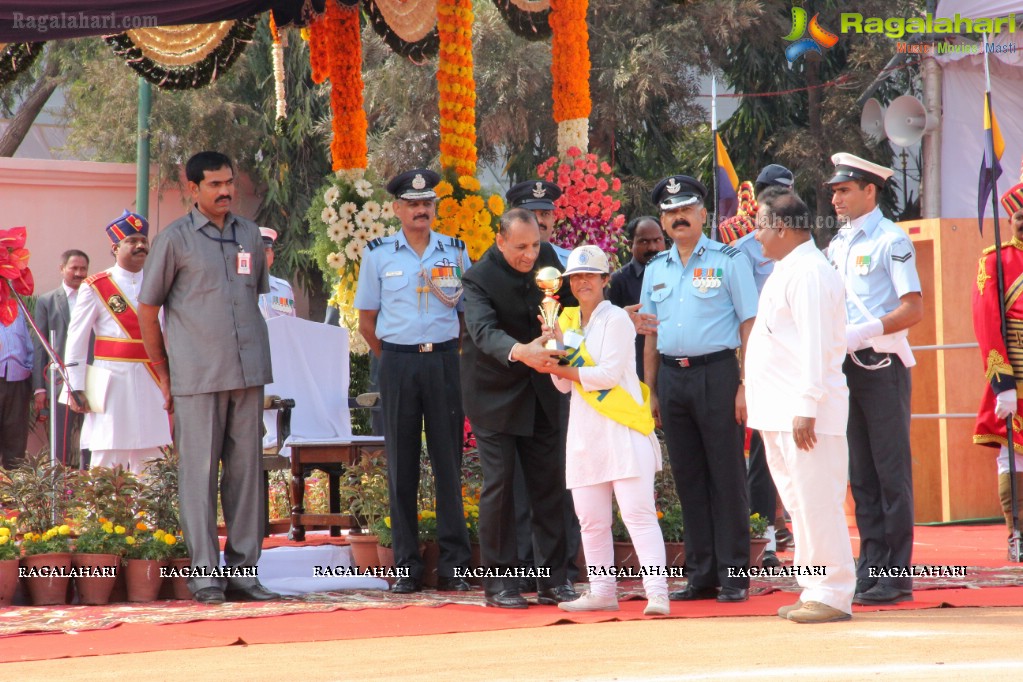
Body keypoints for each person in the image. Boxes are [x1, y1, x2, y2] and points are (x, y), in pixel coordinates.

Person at [138, 151, 279, 605]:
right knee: (198, 478)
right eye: (214, 184)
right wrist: (163, 374)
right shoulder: (173, 240)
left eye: (229, 183)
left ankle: (244, 573)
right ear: (193, 188)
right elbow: (147, 310)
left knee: (245, 475)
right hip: (196, 378)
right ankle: (205, 577)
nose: (224, 191)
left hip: (247, 373)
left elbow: (253, 293)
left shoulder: (250, 237)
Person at [640, 174, 758, 603]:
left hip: (719, 375)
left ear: (703, 213)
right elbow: (650, 335)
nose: (678, 217)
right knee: (689, 477)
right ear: (663, 219)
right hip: (672, 379)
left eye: (686, 209)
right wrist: (650, 390)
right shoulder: (655, 269)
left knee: (726, 476)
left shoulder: (729, 260)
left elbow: (749, 324)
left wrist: (746, 383)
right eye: (670, 212)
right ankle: (701, 573)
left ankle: (734, 576)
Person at [355, 168, 472, 594]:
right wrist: (394, 358)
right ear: (397, 209)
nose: (421, 210)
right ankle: (406, 565)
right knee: (402, 467)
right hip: (399, 364)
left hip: (443, 363)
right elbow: (367, 320)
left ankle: (455, 565)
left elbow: (466, 317)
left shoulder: (455, 252)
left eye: (428, 203)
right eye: (413, 203)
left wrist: (444, 354)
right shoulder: (378, 254)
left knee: (448, 464)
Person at [461, 207, 580, 609]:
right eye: (520, 248)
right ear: (499, 240)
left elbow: (570, 307)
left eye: (535, 244)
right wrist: (521, 352)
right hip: (494, 396)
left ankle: (553, 581)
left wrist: (597, 322)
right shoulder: (478, 278)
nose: (530, 255)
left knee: (549, 487)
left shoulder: (549, 262)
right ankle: (500, 585)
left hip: (544, 391)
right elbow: (482, 332)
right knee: (500, 489)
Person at [747, 190, 856, 624]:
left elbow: (816, 344)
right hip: (780, 411)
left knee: (817, 503)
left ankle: (832, 593)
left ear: (782, 227)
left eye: (759, 225)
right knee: (799, 504)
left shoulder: (809, 271)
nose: (754, 235)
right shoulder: (786, 269)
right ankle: (815, 587)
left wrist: (807, 404)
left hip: (806, 412)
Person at [542, 245, 669, 616]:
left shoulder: (615, 319)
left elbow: (607, 376)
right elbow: (563, 388)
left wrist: (562, 368)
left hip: (622, 430)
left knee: (638, 514)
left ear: (604, 280)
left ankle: (658, 592)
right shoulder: (564, 322)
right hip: (585, 435)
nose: (583, 282)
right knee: (592, 521)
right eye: (576, 277)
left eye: (589, 276)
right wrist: (554, 347)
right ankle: (601, 590)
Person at [825, 152, 923, 606]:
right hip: (844, 367)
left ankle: (895, 574)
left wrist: (865, 330)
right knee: (860, 475)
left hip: (882, 366)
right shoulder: (838, 243)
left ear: (870, 191)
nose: (835, 197)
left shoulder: (891, 239)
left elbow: (912, 308)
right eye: (834, 190)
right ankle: (871, 567)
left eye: (844, 189)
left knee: (890, 473)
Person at [505, 178, 580, 588]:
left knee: (559, 478)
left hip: (560, 382)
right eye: (532, 213)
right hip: (515, 382)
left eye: (548, 212)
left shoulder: (570, 264)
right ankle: (522, 572)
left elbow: (585, 315)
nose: (542, 220)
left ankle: (562, 571)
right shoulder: (498, 264)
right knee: (517, 483)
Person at [64, 211, 171, 472]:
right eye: (132, 240)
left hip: (151, 378)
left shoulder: (161, 283)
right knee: (107, 455)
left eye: (143, 240)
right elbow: (76, 339)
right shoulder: (96, 285)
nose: (140, 245)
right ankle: (100, 514)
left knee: (152, 456)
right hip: (111, 379)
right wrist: (74, 386)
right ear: (115, 247)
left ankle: (149, 514)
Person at [730, 165, 797, 568]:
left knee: (799, 448)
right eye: (771, 191)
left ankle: (796, 529)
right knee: (761, 453)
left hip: (797, 361)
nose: (778, 198)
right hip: (760, 360)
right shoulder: (742, 250)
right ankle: (766, 535)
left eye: (784, 192)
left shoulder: (805, 244)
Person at [972, 181, 1023, 558]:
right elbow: (987, 323)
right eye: (1020, 217)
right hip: (1016, 375)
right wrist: (1002, 383)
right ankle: (1016, 532)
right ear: (1010, 220)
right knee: (1014, 455)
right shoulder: (995, 262)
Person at [32, 249, 90, 467]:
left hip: (89, 378)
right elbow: (40, 345)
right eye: (73, 268)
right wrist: (40, 388)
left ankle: (90, 485)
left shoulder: (95, 297)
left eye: (83, 268)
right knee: (61, 438)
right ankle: (60, 487)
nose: (78, 273)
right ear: (62, 269)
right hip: (58, 379)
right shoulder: (47, 301)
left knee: (90, 436)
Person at [608, 216, 665, 381]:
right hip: (634, 369)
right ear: (631, 243)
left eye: (657, 240)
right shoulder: (618, 280)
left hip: (672, 368)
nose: (653, 247)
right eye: (644, 242)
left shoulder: (675, 275)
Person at [506, 180, 571, 266]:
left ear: (553, 219)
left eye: (545, 214)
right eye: (530, 214)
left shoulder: (570, 263)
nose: (539, 220)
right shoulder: (503, 263)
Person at [0, 304, 33, 469]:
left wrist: (28, 367)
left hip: (17, 380)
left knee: (16, 440)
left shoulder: (17, 309)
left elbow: (27, 344)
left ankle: (14, 490)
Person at [257, 227, 297, 320]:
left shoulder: (284, 288)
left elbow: (292, 324)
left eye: (266, 251)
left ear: (272, 256)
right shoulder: (238, 288)